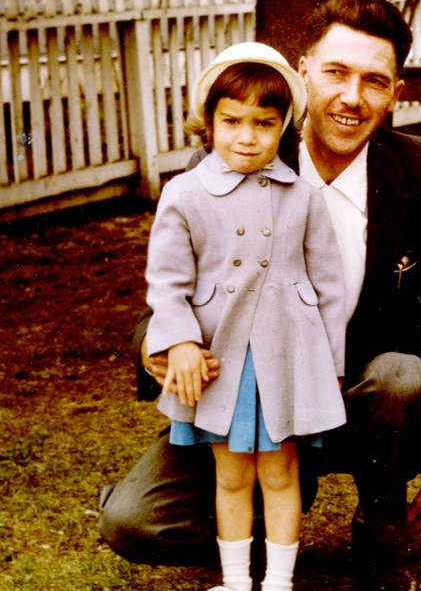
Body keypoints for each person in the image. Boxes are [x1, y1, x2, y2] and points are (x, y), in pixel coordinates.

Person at [99, 0, 421, 591]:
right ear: (302, 72)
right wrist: (165, 348)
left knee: (404, 376)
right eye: (336, 73)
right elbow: (168, 298)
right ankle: (279, 504)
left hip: (353, 397)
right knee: (134, 524)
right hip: (245, 395)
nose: (352, 97)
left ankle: (377, 528)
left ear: (395, 92)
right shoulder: (231, 159)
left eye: (374, 81)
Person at [141, 41, 348, 591]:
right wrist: (179, 341)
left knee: (281, 471)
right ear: (207, 121)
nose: (247, 135)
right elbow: (167, 282)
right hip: (220, 359)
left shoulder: (304, 197)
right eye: (232, 120)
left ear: (285, 127)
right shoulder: (183, 194)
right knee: (230, 475)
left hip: (288, 357)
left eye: (264, 122)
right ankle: (236, 582)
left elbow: (328, 287)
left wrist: (330, 368)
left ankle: (278, 583)